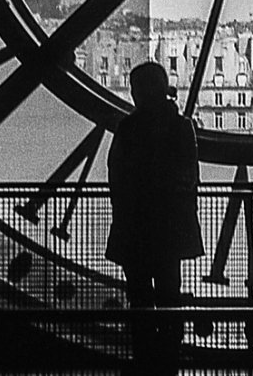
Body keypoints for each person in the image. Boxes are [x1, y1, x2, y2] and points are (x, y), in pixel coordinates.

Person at [105, 62, 204, 373]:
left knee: (139, 301)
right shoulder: (180, 127)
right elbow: (188, 174)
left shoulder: (128, 128)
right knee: (169, 297)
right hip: (169, 230)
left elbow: (117, 173)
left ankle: (145, 357)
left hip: (134, 229)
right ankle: (169, 356)